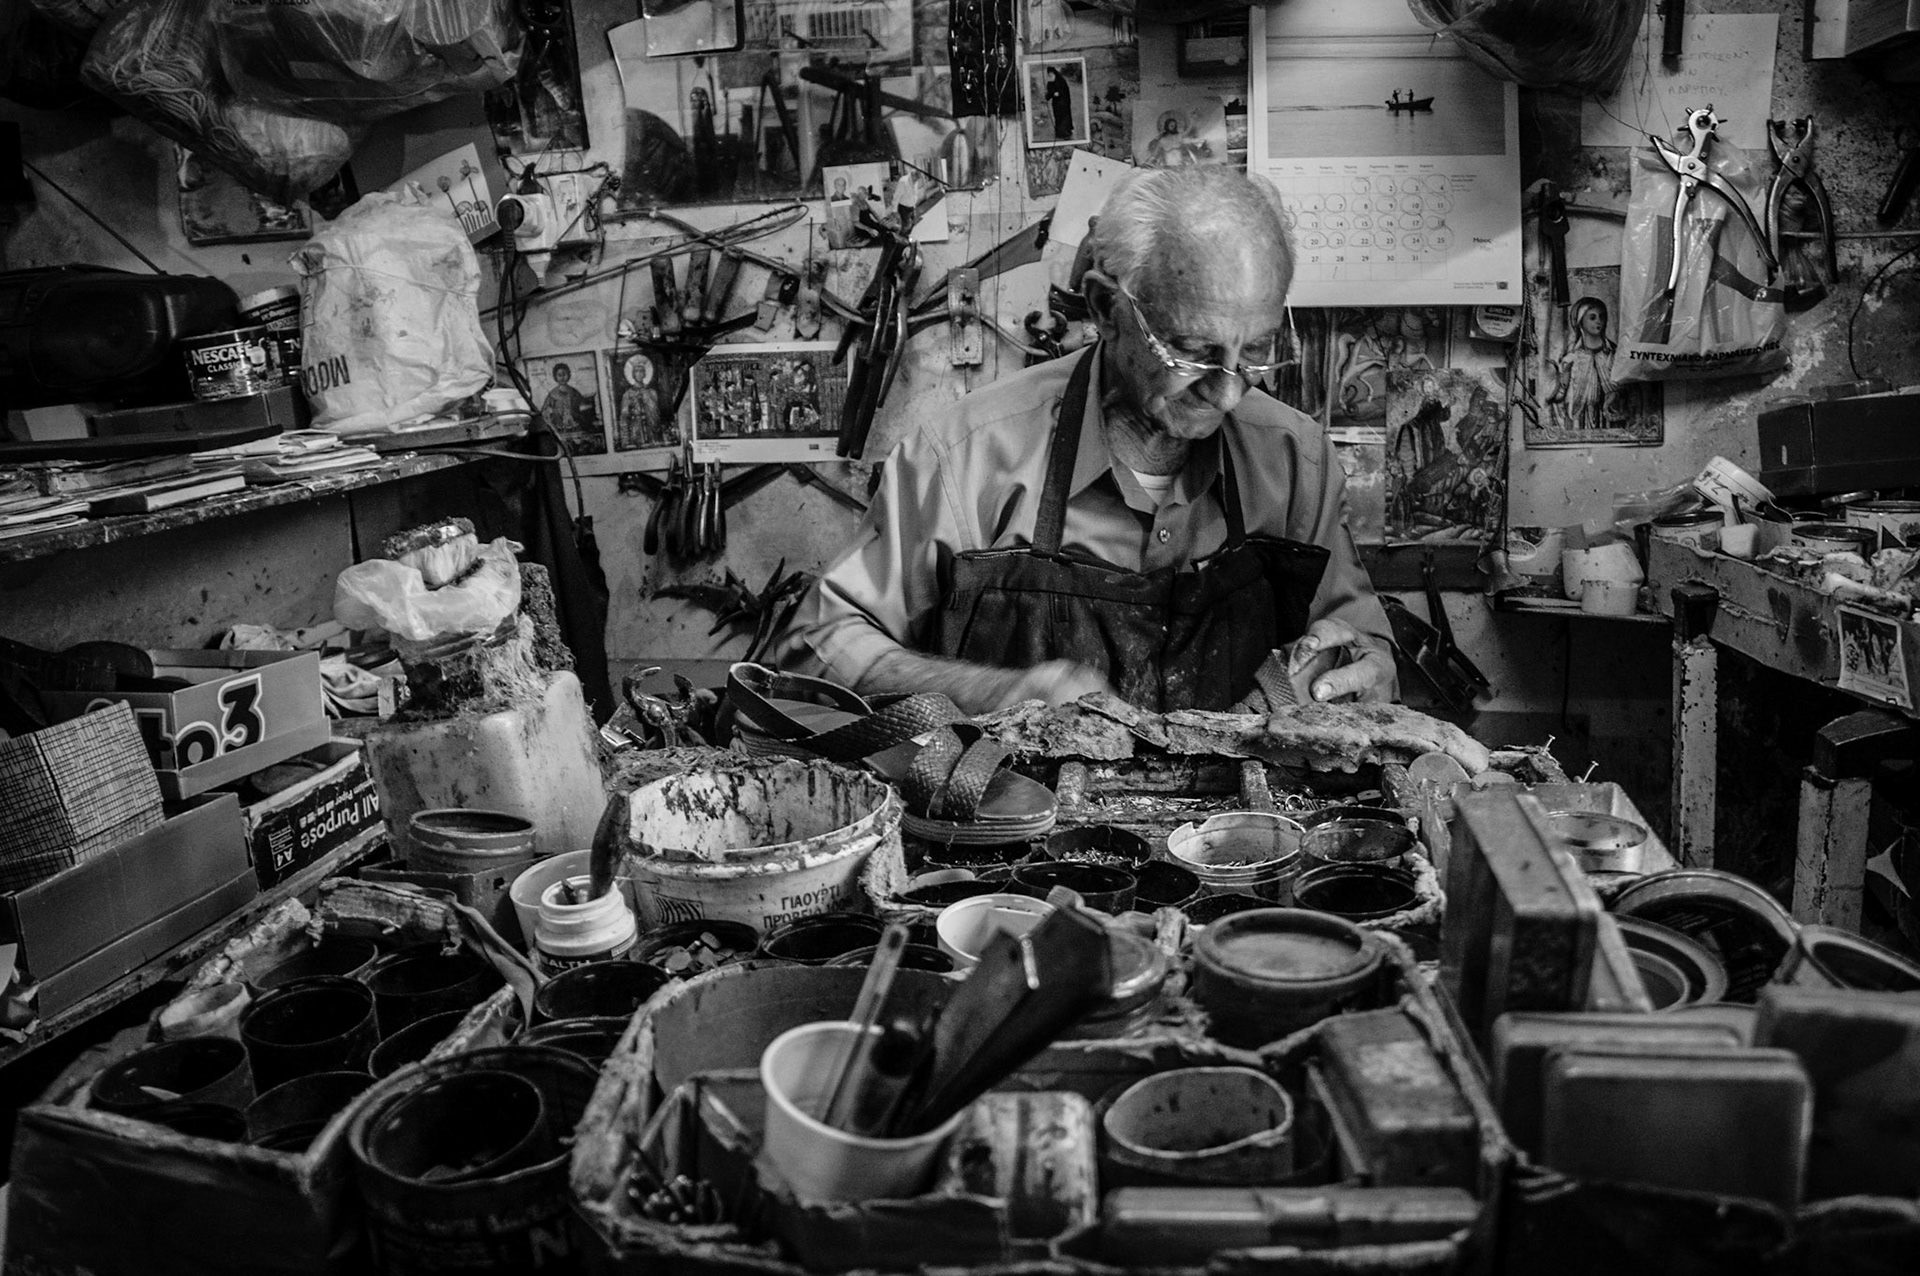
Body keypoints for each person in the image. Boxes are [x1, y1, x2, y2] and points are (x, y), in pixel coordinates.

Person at [775, 166, 1396, 714]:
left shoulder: (1296, 462)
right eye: (1192, 350)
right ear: (1104, 308)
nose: (1228, 393)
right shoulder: (963, 459)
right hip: (1018, 832)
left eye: (1254, 352)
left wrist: (1368, 668)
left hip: (1243, 839)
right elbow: (813, 654)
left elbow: (1364, 653)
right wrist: (987, 692)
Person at [1548, 296, 1616, 431]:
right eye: (1592, 317)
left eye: (1602, 317)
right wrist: (1564, 377)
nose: (1599, 321)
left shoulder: (1612, 353)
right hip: (1577, 420)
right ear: (1580, 321)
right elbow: (1557, 397)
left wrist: (1615, 394)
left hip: (1607, 420)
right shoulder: (1572, 356)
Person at [540, 362, 595, 440]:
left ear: (569, 375)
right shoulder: (553, 394)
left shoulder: (574, 392)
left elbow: (582, 406)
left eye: (564, 374)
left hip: (575, 425)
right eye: (559, 375)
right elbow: (545, 410)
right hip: (559, 427)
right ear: (555, 377)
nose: (562, 377)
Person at [1047, 67, 1075, 141]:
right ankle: (1059, 133)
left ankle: (1066, 134)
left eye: (1051, 74)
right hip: (1056, 104)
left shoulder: (1061, 81)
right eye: (1049, 75)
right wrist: (1049, 96)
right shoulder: (1050, 82)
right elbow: (1049, 93)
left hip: (1063, 103)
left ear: (1055, 73)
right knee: (1058, 118)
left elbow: (1065, 92)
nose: (1050, 76)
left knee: (1064, 119)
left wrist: (1059, 94)